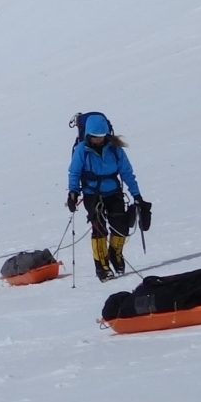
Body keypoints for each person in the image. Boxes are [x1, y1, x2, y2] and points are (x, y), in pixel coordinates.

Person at [66, 113, 145, 279]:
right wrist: (73, 192)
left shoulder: (115, 149)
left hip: (113, 192)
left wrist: (137, 195)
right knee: (99, 228)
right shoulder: (81, 150)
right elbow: (74, 173)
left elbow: (127, 173)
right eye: (95, 137)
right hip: (91, 194)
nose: (98, 140)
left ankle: (115, 255)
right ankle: (101, 265)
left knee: (121, 227)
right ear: (88, 135)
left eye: (101, 137)